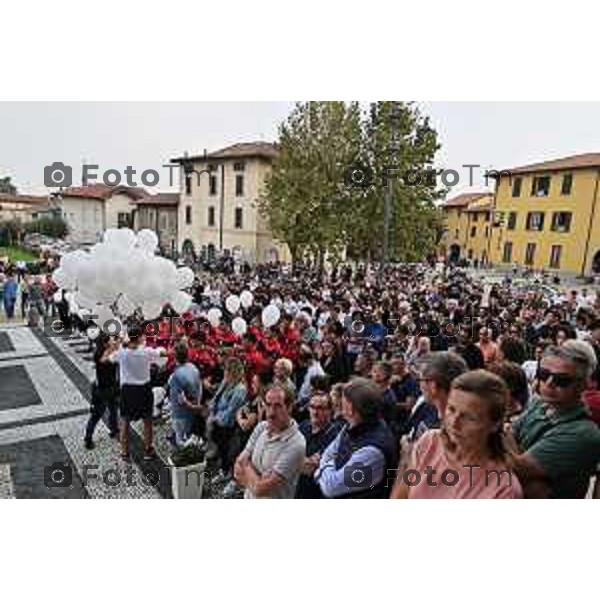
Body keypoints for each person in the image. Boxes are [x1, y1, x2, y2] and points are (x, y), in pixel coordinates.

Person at [391, 370, 522, 499]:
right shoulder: (429, 442)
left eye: (469, 417)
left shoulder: (503, 490)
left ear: (495, 424)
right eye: (451, 409)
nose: (454, 422)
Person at [504, 344, 600, 498]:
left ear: (582, 385)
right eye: (543, 374)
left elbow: (515, 468)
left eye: (562, 380)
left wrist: (501, 433)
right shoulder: (539, 404)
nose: (549, 382)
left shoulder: (583, 433)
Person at [315, 378, 397, 499]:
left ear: (350, 408)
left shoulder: (372, 452)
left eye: (342, 400)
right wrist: (329, 467)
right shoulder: (351, 425)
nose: (338, 403)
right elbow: (329, 452)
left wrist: (320, 471)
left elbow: (330, 487)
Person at [234, 385, 306, 499]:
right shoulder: (261, 427)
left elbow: (260, 489)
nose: (271, 412)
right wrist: (256, 479)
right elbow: (237, 470)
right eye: (268, 405)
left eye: (278, 406)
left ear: (289, 407)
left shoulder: (296, 443)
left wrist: (246, 465)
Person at [111, 325, 165, 462]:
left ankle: (125, 453)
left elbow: (110, 358)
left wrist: (119, 344)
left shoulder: (122, 353)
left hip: (127, 390)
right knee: (147, 421)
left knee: (125, 422)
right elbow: (162, 355)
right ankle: (148, 449)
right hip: (144, 390)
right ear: (140, 337)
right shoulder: (147, 352)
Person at [207, 357, 247, 479]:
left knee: (225, 448)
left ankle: (225, 471)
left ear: (232, 372)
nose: (224, 373)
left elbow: (230, 413)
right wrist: (212, 409)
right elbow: (216, 396)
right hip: (217, 419)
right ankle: (218, 457)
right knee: (218, 442)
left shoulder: (239, 390)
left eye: (226, 371)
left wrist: (215, 418)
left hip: (227, 425)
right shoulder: (226, 381)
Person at [295, 393, 342, 498]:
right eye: (312, 407)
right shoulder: (304, 426)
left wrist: (290, 460)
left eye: (320, 408)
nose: (315, 412)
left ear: (330, 410)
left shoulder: (335, 436)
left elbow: (309, 469)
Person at [84, 333, 120, 449]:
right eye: (110, 340)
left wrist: (115, 345)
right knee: (97, 414)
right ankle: (88, 438)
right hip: (104, 389)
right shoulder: (103, 355)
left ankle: (113, 429)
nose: (113, 341)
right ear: (105, 344)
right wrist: (114, 348)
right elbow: (104, 359)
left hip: (106, 387)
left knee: (113, 409)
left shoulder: (100, 352)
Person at [167, 341, 202, 446]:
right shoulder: (193, 368)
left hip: (180, 412)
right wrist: (197, 404)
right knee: (189, 435)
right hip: (193, 408)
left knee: (181, 441)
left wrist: (191, 406)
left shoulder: (176, 375)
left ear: (175, 357)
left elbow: (180, 399)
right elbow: (200, 387)